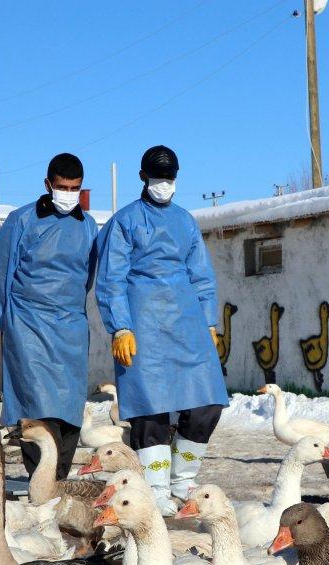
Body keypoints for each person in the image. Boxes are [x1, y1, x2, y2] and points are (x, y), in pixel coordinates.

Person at [95, 145, 228, 515]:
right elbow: (111, 279)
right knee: (149, 409)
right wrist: (120, 327)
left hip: (187, 325)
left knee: (207, 403)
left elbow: (201, 276)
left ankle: (183, 479)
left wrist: (209, 322)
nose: (163, 185)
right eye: (157, 178)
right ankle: (153, 487)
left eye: (169, 179)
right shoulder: (124, 222)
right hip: (142, 324)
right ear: (142, 177)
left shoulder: (185, 221)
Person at [0, 152, 98, 479]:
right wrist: (8, 324)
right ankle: (40, 479)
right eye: (62, 186)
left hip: (70, 329)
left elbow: (87, 278)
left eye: (75, 188)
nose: (68, 194)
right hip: (28, 327)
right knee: (37, 408)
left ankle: (58, 480)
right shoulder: (21, 221)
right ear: (48, 184)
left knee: (68, 411)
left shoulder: (88, 226)